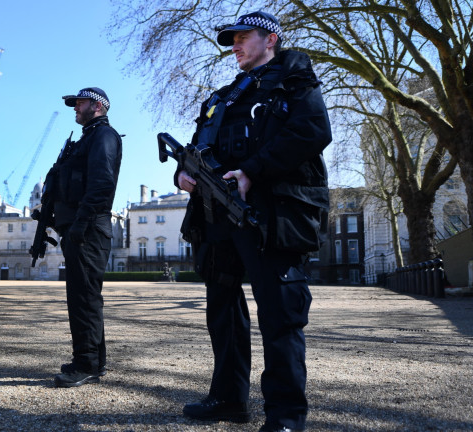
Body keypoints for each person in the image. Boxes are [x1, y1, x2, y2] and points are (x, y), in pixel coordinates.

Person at [175, 11, 331, 432]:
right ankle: (228, 398)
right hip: (217, 215)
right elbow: (197, 148)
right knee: (222, 306)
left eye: (243, 37)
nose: (235, 45)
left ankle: (285, 417)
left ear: (270, 38)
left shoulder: (296, 81)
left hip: (272, 212)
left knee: (280, 313)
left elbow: (312, 132)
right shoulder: (222, 96)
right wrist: (183, 175)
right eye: (232, 40)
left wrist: (252, 171)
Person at [50, 87, 122, 388]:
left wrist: (80, 223)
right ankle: (93, 360)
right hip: (81, 226)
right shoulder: (88, 137)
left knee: (83, 298)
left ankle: (86, 363)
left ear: (97, 105)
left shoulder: (104, 136)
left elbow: (103, 184)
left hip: (88, 228)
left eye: (79, 103)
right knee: (85, 296)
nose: (74, 108)